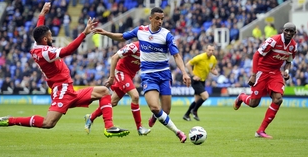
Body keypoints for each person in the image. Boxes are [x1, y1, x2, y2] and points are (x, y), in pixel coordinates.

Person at [0, 2, 130, 138]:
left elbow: (39, 29)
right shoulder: (45, 53)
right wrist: (84, 34)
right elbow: (68, 50)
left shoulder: (37, 45)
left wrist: (42, 14)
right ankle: (9, 120)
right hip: (61, 89)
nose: (52, 37)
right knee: (48, 123)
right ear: (45, 39)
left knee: (104, 91)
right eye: (50, 36)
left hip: (68, 89)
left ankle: (109, 127)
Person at [94, 7, 191, 143]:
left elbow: (176, 55)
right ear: (150, 18)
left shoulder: (167, 35)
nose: (160, 21)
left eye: (162, 19)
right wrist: (105, 33)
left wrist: (185, 73)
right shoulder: (141, 31)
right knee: (155, 107)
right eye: (157, 18)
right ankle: (178, 132)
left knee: (166, 110)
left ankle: (154, 117)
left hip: (164, 75)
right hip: (148, 76)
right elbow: (122, 37)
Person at [233, 22, 298, 139]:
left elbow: (289, 62)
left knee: (278, 99)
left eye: (291, 31)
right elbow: (256, 55)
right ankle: (241, 97)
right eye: (286, 30)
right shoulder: (273, 40)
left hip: (276, 73)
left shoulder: (293, 46)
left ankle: (260, 131)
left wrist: (286, 72)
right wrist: (253, 74)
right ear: (283, 30)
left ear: (295, 33)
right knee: (254, 103)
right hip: (262, 71)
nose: (288, 33)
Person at [84, 41, 151, 136]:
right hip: (121, 72)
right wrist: (111, 77)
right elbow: (114, 57)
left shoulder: (152, 50)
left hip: (130, 76)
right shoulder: (134, 47)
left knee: (112, 102)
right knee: (135, 96)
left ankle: (90, 117)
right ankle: (140, 128)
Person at [183, 44, 218, 121]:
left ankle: (186, 115)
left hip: (202, 81)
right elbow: (188, 64)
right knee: (205, 96)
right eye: (209, 50)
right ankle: (194, 111)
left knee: (196, 101)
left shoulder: (213, 59)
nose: (211, 52)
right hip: (195, 80)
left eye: (212, 50)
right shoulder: (200, 57)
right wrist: (193, 75)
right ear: (206, 50)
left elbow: (211, 68)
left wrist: (214, 72)